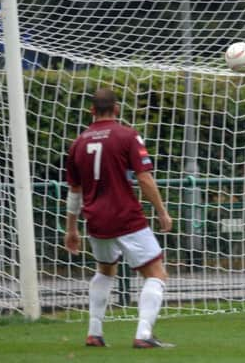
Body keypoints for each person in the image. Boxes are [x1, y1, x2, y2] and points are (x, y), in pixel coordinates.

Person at [64, 88, 174, 348]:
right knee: (156, 273)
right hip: (126, 217)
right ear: (116, 109)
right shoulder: (127, 135)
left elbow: (74, 192)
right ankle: (144, 335)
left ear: (91, 111)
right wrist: (161, 210)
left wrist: (71, 229)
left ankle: (94, 332)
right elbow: (144, 178)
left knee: (105, 270)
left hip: (96, 221)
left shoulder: (78, 143)